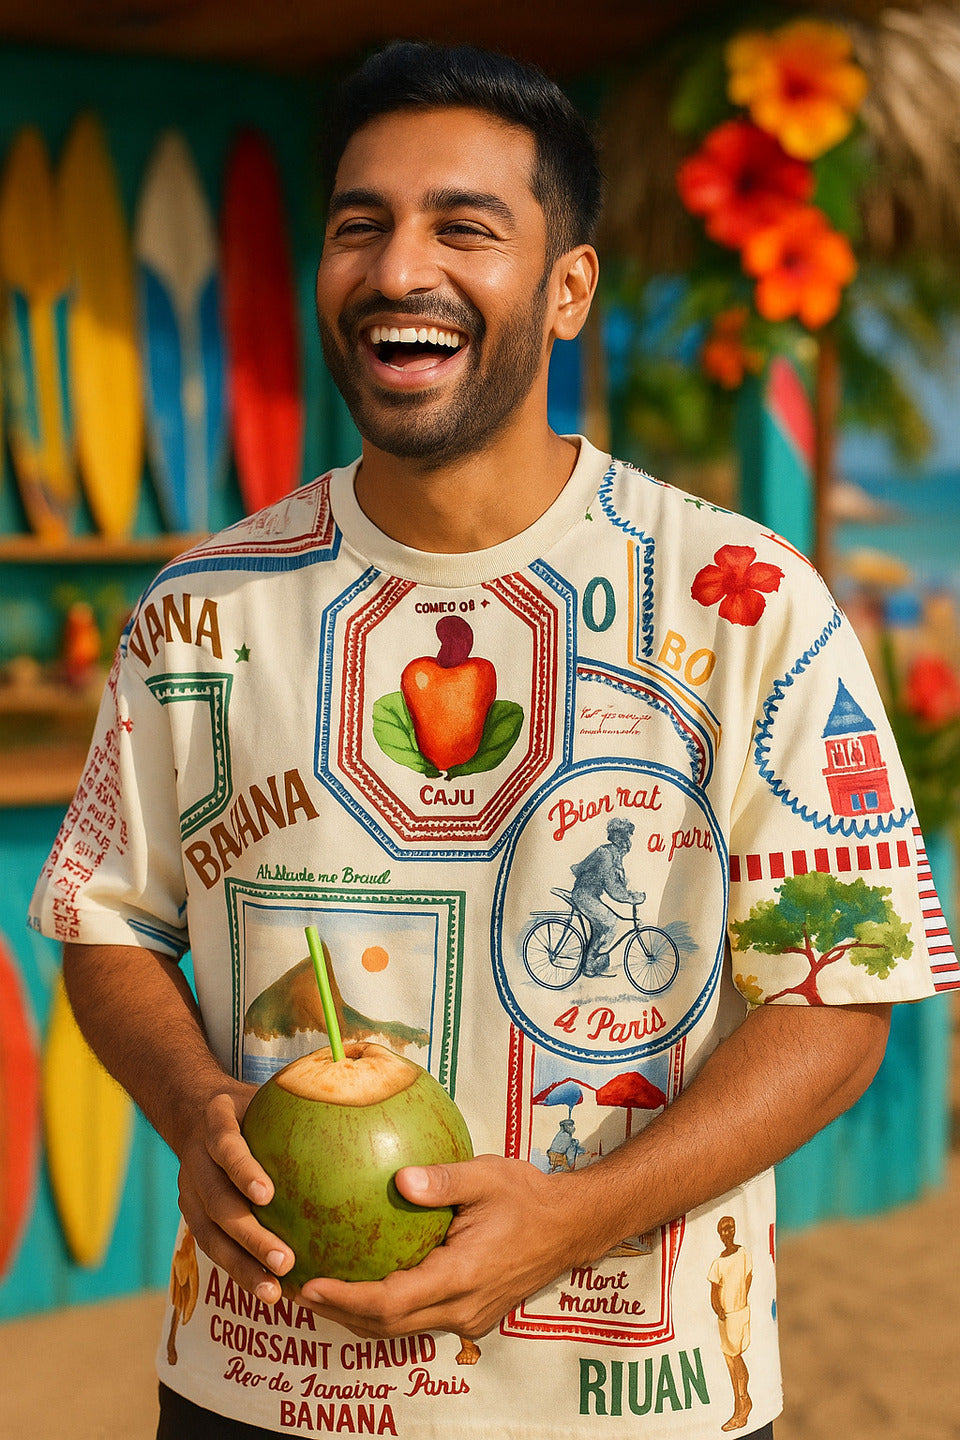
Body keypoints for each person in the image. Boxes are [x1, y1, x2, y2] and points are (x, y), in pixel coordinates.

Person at [29, 39, 958, 1440]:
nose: (402, 267)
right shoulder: (201, 612)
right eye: (361, 226)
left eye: (467, 226)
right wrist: (194, 1107)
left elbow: (841, 995)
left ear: (569, 287)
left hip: (637, 1402)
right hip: (260, 1384)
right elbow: (107, 919)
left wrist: (574, 1220)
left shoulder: (747, 599)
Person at [569, 816, 645, 976]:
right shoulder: (605, 854)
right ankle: (590, 965)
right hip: (584, 895)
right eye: (626, 838)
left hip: (590, 894)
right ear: (620, 839)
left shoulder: (612, 854)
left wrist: (630, 892)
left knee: (600, 927)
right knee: (610, 922)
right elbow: (612, 886)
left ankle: (590, 962)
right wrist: (631, 898)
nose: (626, 848)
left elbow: (619, 882)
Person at [709, 1216, 754, 1432]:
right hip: (726, 1317)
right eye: (724, 1230)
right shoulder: (719, 1262)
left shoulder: (743, 1253)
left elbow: (747, 1277)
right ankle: (743, 1402)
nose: (728, 1233)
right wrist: (719, 1309)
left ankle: (741, 1405)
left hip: (738, 1313)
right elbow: (715, 1291)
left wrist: (741, 1300)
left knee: (734, 1359)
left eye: (731, 1228)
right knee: (731, 1360)